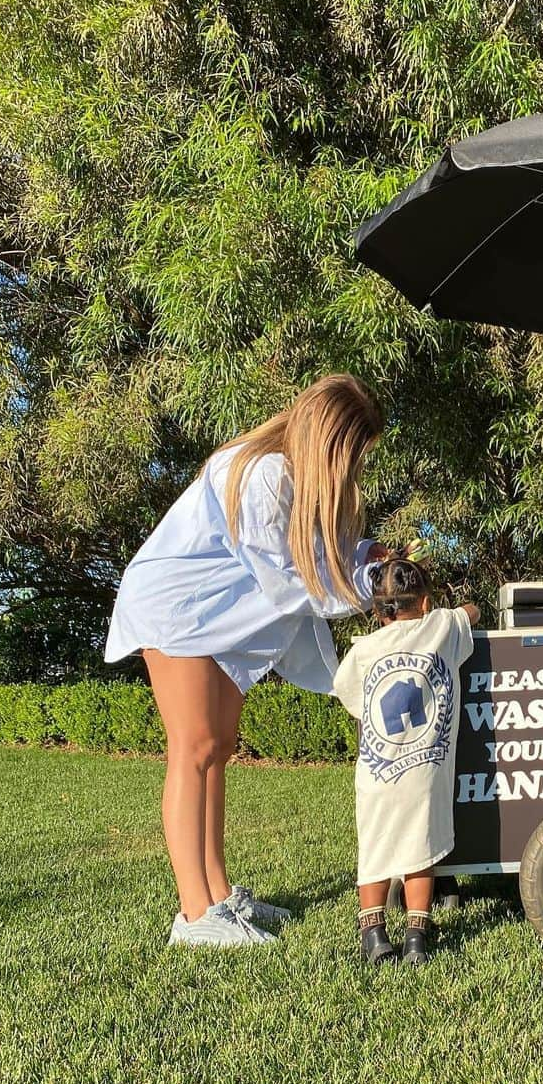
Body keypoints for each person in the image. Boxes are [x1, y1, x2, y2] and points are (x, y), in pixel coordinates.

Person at [104, 372, 396, 948]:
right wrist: (371, 590)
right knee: (192, 750)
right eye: (355, 452)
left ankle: (218, 895)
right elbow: (293, 583)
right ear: (331, 441)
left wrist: (369, 556)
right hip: (177, 608)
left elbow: (325, 552)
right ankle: (194, 914)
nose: (357, 467)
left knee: (219, 748)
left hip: (218, 616)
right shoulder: (261, 473)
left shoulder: (296, 477)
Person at [332, 558, 480, 966]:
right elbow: (473, 611)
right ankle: (416, 936)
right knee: (422, 850)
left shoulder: (364, 650)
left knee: (376, 850)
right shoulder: (442, 627)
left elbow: (348, 696)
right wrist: (446, 611)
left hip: (377, 773)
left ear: (377, 611)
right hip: (425, 773)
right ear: (426, 601)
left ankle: (374, 934)